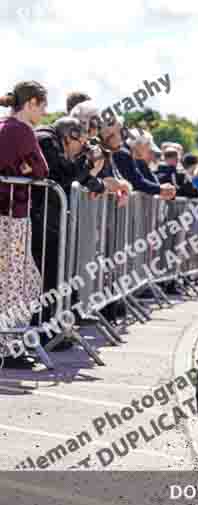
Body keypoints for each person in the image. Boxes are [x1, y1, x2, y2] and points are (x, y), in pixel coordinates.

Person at [32, 117, 107, 349]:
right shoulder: (46, 140)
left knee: (54, 276)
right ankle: (41, 334)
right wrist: (89, 166)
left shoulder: (54, 143)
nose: (82, 150)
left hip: (46, 219)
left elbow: (71, 178)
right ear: (69, 137)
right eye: (82, 145)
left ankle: (51, 331)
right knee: (46, 278)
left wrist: (96, 183)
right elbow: (62, 176)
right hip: (36, 218)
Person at [0, 81, 49, 367]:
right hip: (11, 215)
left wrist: (23, 168)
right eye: (42, 106)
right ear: (30, 103)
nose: (43, 113)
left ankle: (11, 344)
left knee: (22, 280)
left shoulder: (5, 126)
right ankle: (9, 347)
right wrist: (24, 169)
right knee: (17, 283)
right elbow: (42, 170)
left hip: (10, 214)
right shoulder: (21, 131)